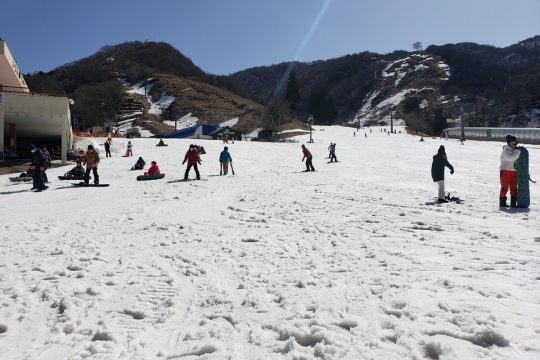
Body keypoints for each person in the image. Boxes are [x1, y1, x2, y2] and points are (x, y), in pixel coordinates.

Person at [499, 135, 521, 208]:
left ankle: (513, 203)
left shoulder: (514, 150)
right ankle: (502, 203)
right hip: (506, 171)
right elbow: (511, 158)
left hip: (514, 171)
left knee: (514, 187)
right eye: (513, 142)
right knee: (504, 187)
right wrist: (517, 151)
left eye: (515, 142)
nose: (514, 144)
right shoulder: (505, 151)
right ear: (509, 142)